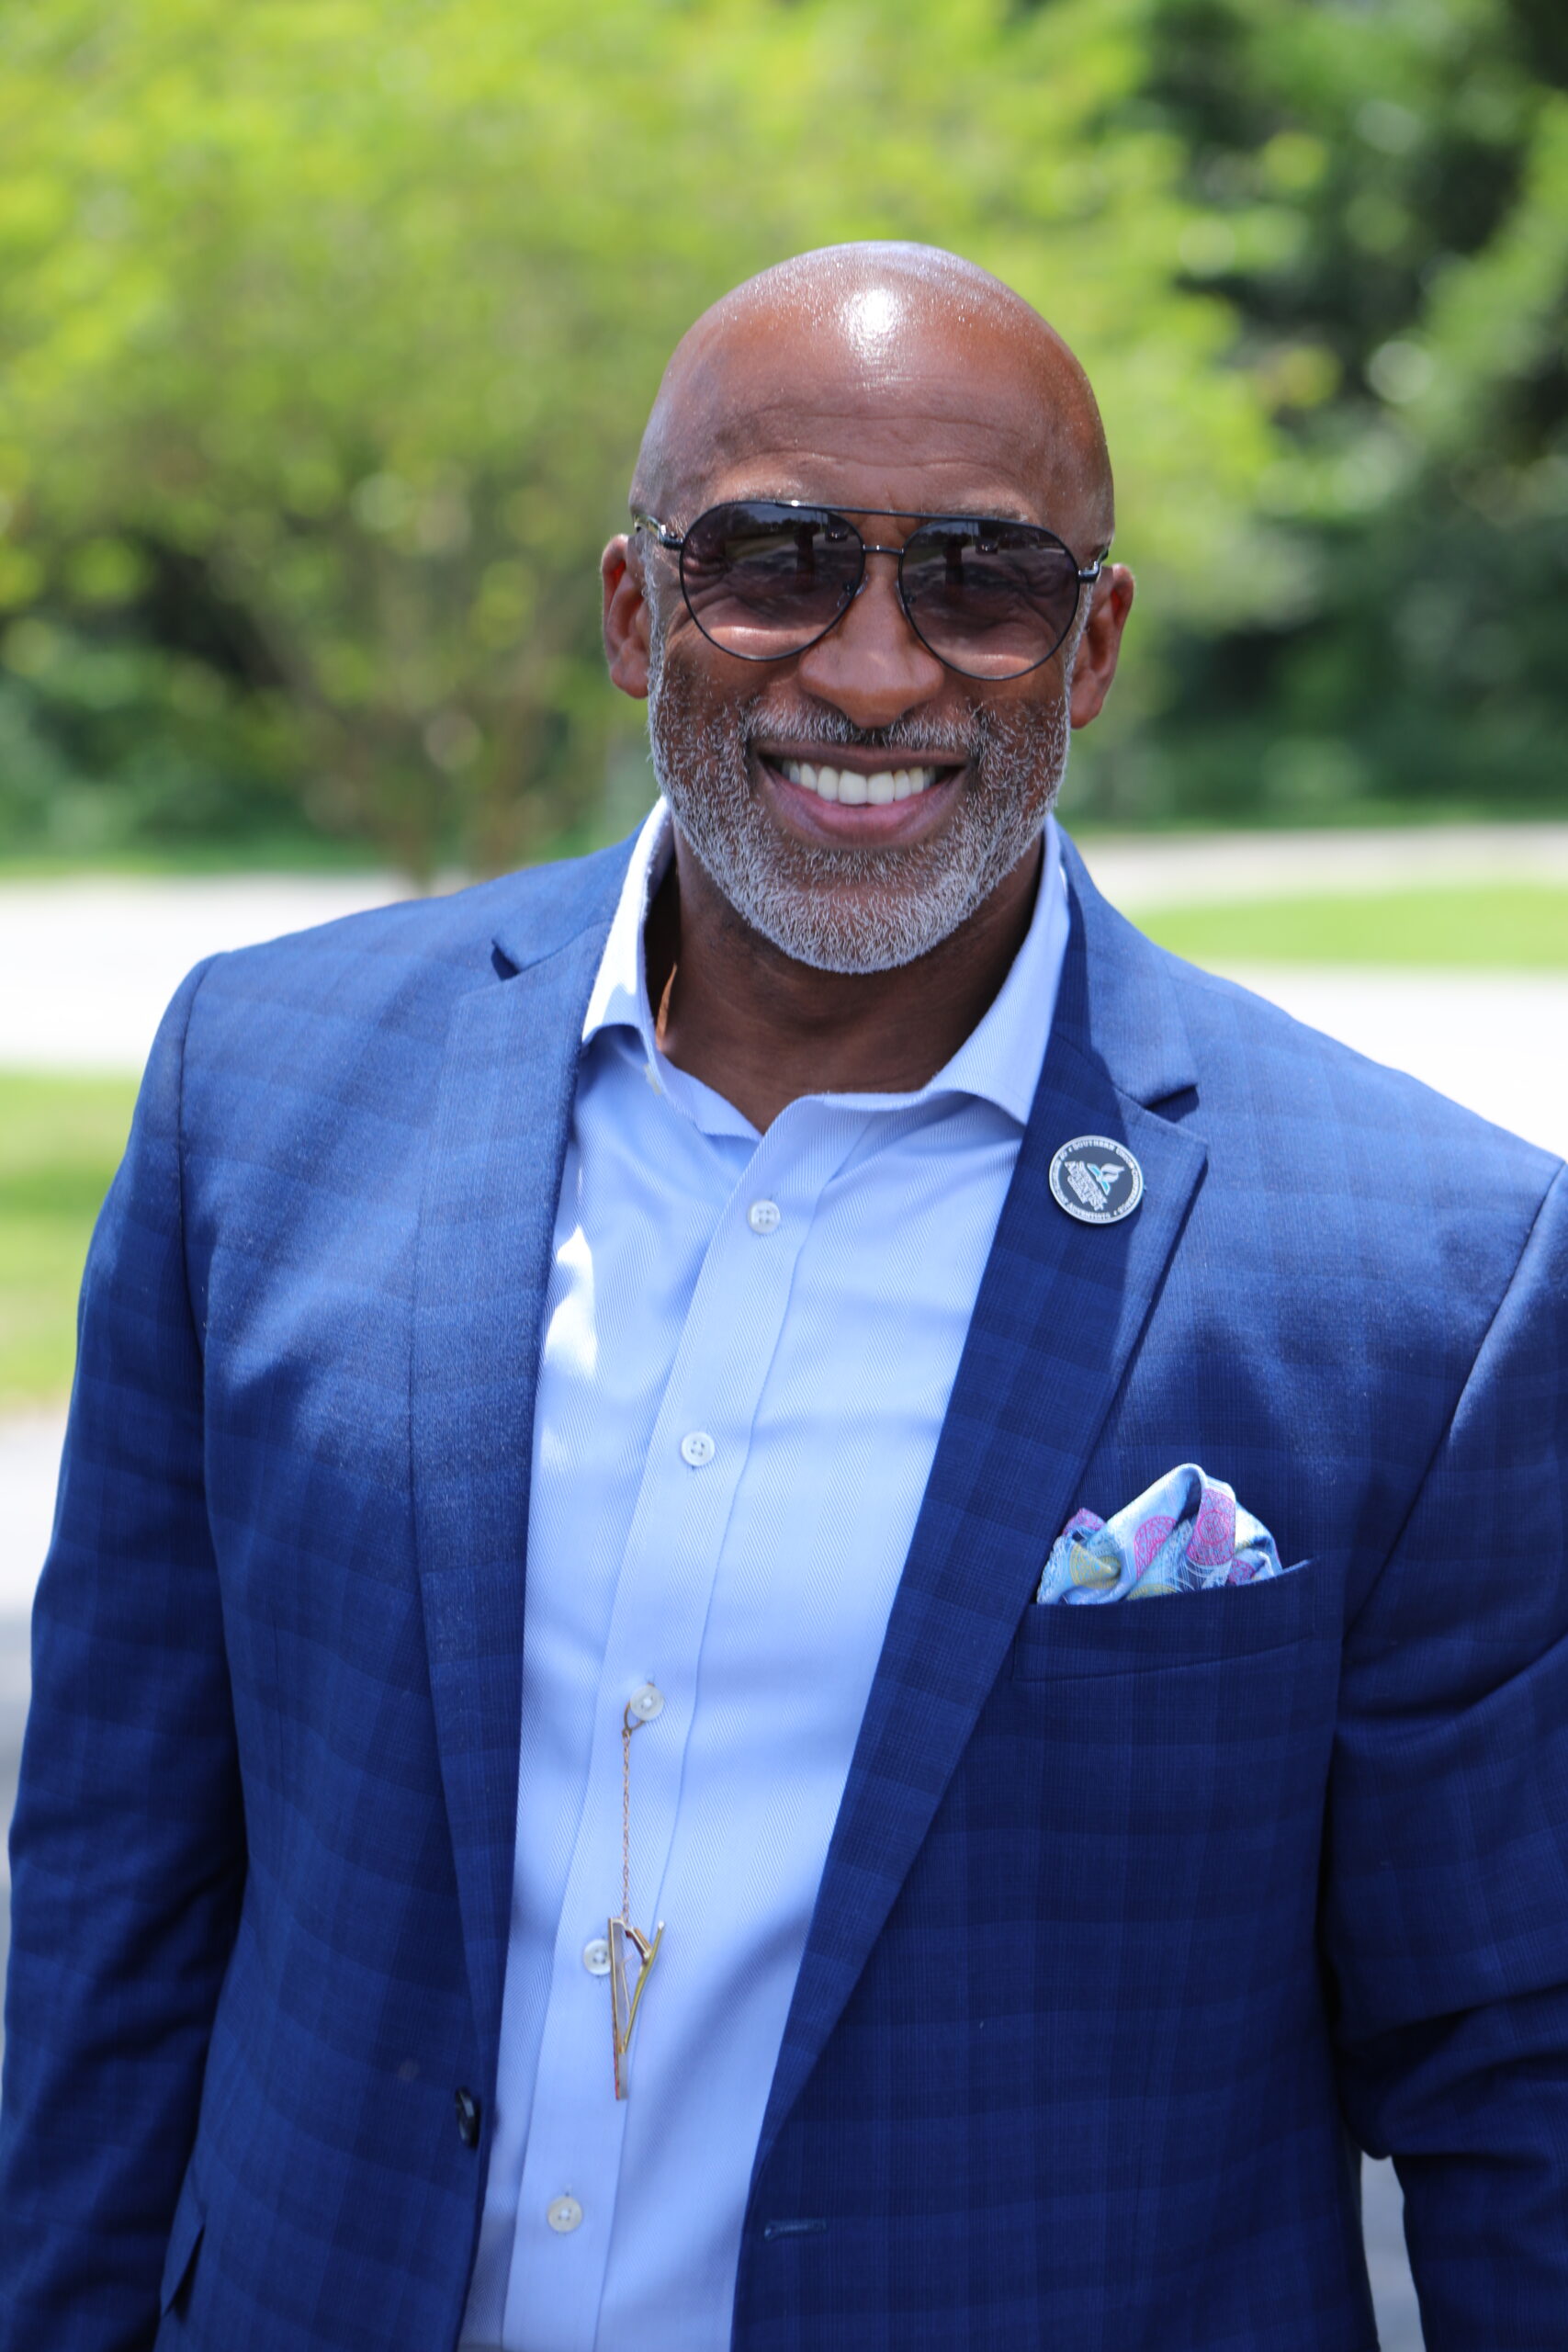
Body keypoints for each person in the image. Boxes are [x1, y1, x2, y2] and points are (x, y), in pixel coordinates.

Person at [3, 242, 1566, 2352]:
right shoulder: (262, 1092)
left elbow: (1510, 2071)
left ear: (1090, 647)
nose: (873, 667)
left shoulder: (1423, 1272)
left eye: (980, 581)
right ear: (633, 608)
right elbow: (115, 1890)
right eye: (774, 561)